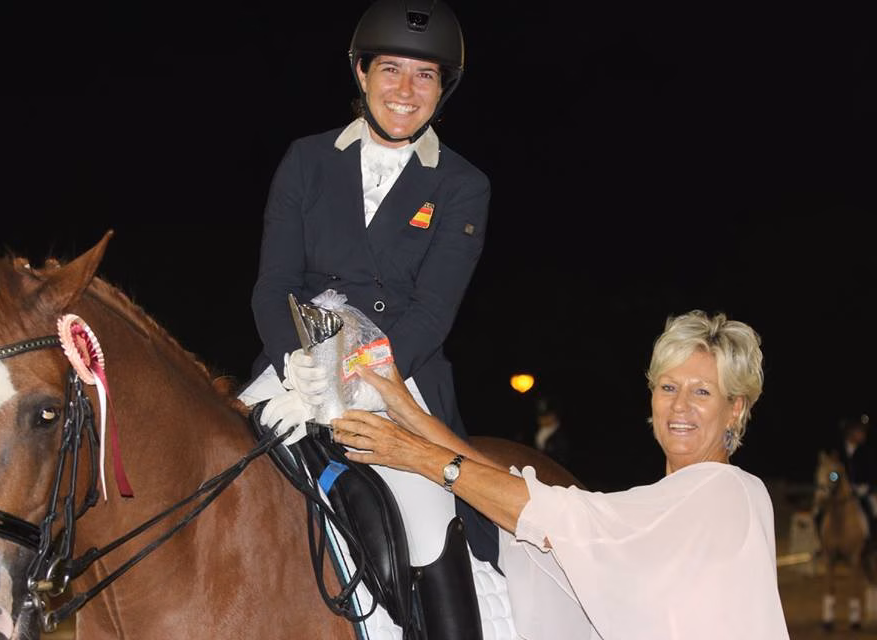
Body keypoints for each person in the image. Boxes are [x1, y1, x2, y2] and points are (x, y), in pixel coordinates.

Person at [237, 0, 494, 635]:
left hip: (395, 382)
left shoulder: (462, 185)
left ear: (442, 88)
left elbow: (432, 311)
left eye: (425, 75)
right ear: (361, 72)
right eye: (391, 69)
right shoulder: (305, 160)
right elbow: (273, 284)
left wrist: (357, 382)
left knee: (429, 522)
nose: (406, 90)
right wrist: (298, 365)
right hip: (294, 371)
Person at [331, 310, 790, 639]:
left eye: (702, 392)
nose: (680, 406)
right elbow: (543, 504)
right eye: (668, 387)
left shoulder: (729, 491)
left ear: (735, 409)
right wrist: (411, 413)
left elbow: (557, 519)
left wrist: (415, 456)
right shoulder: (660, 506)